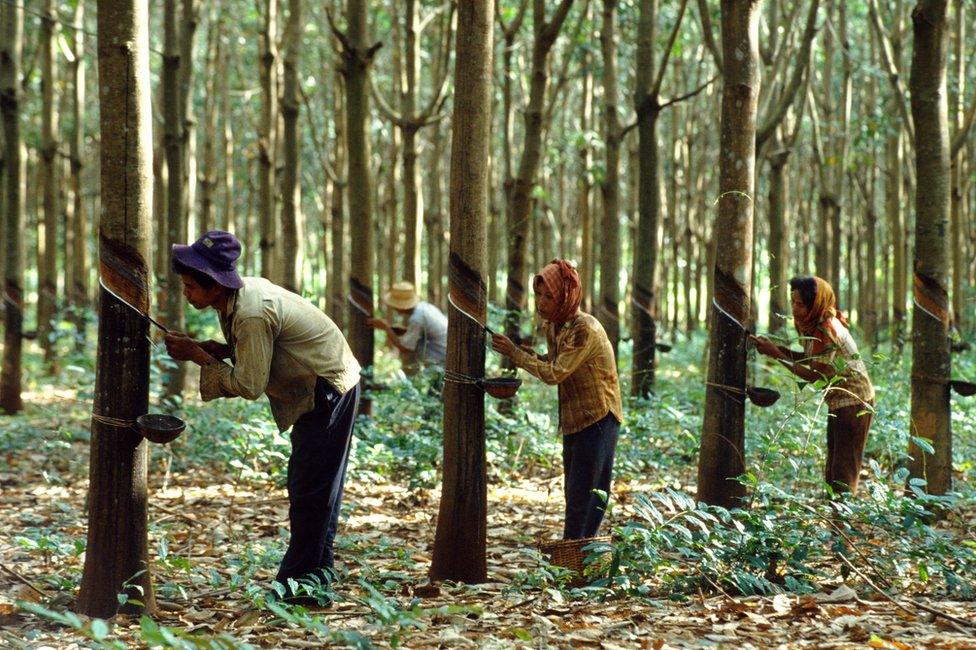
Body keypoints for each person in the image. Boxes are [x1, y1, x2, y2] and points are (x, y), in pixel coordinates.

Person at [163, 231, 361, 604]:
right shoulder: (238, 299)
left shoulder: (251, 313)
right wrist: (217, 348)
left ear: (216, 285)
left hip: (327, 387)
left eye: (191, 286)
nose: (186, 293)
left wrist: (200, 357)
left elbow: (250, 384)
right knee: (318, 489)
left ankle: (296, 589)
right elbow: (263, 348)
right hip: (318, 381)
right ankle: (314, 581)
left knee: (311, 490)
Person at [490, 259, 622, 540]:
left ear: (565, 295)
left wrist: (515, 354)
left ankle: (579, 562)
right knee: (574, 494)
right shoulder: (554, 326)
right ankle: (575, 562)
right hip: (575, 419)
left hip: (599, 418)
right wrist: (528, 354)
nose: (541, 302)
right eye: (538, 294)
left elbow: (554, 374)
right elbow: (554, 362)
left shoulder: (584, 328)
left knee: (587, 498)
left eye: (548, 296)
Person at [751, 275, 875, 494]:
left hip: (855, 402)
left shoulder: (827, 328)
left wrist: (777, 355)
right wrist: (775, 348)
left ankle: (841, 521)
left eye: (800, 304)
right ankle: (835, 516)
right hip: (839, 402)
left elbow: (814, 375)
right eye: (793, 303)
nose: (795, 309)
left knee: (843, 468)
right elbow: (809, 358)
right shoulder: (814, 325)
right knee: (834, 464)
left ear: (814, 304)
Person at [367, 282, 448, 370]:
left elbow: (405, 348)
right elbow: (427, 333)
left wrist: (385, 327)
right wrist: (406, 331)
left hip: (440, 362)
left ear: (401, 306)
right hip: (444, 353)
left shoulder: (417, 318)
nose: (394, 308)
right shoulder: (424, 307)